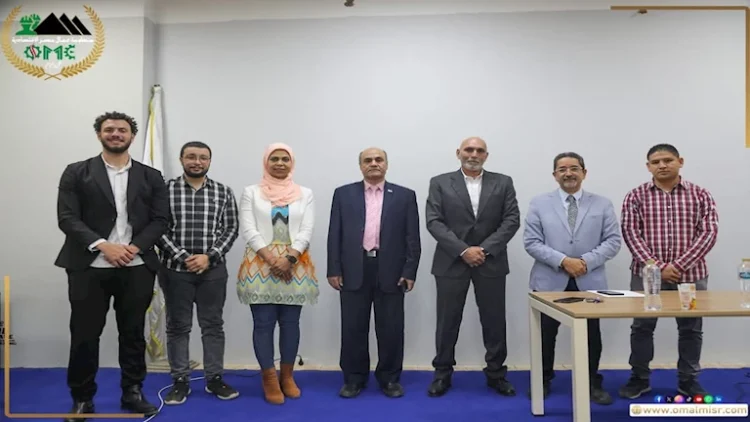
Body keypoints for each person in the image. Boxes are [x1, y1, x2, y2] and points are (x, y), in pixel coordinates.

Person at [55, 111, 168, 421]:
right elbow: (67, 218)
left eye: (122, 130)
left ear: (132, 136)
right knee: (84, 335)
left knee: (133, 334)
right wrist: (104, 245)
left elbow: (161, 220)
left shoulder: (151, 176)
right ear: (99, 134)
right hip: (89, 266)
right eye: (109, 129)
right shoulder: (76, 172)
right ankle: (82, 399)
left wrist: (134, 247)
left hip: (137, 265)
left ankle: (132, 392)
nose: (116, 134)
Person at [619, 143, 718, 399]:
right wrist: (659, 268)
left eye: (668, 160)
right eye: (655, 162)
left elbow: (709, 233)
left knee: (691, 329)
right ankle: (639, 378)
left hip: (691, 276)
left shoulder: (700, 194)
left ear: (680, 161)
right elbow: (631, 234)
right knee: (642, 327)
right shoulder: (635, 196)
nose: (662, 165)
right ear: (648, 166)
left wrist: (679, 265)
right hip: (646, 277)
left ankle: (689, 380)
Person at [523, 152, 621, 405]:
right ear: (555, 175)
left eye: (574, 168)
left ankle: (591, 382)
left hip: (590, 281)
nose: (569, 173)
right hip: (549, 280)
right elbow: (532, 242)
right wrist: (564, 261)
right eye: (562, 169)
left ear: (584, 173)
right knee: (545, 334)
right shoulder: (539, 203)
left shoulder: (602, 204)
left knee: (591, 335)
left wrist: (584, 262)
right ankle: (542, 380)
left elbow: (613, 241)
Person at [425, 136, 520, 397]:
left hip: (491, 262)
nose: (474, 154)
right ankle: (442, 374)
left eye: (479, 150)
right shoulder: (440, 182)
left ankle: (497, 375)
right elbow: (434, 221)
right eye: (469, 149)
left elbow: (511, 220)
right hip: (451, 262)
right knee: (447, 321)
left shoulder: (503, 182)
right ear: (458, 153)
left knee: (494, 321)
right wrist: (464, 250)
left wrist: (484, 250)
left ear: (486, 155)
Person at [327, 147, 421, 399]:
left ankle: (389, 378)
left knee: (391, 328)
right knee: (353, 328)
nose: (373, 163)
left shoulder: (404, 196)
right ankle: (354, 379)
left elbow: (412, 237)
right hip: (353, 268)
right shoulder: (343, 194)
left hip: (391, 269)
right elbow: (334, 234)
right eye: (367, 160)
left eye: (379, 159)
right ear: (361, 166)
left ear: (386, 164)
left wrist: (409, 270)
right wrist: (334, 268)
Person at [158, 141, 240, 405]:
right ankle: (180, 380)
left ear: (209, 161)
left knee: (213, 325)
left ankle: (214, 378)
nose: (197, 162)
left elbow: (231, 229)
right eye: (191, 157)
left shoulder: (223, 191)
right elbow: (157, 228)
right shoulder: (165, 190)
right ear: (181, 159)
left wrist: (209, 256)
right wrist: (183, 257)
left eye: (203, 157)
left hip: (212, 271)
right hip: (174, 270)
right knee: (177, 326)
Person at [236, 143, 319, 405]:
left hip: (295, 264)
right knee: (263, 323)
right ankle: (269, 378)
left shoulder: (305, 194)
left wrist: (289, 259)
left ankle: (287, 376)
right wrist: (273, 260)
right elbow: (249, 229)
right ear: (266, 162)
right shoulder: (251, 192)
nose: (280, 163)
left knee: (290, 323)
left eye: (285, 159)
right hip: (260, 264)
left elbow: (307, 229)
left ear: (291, 163)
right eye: (274, 159)